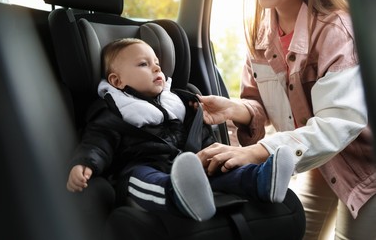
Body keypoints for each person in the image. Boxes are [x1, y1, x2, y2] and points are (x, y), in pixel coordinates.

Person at [196, 0, 376, 239]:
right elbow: (259, 102)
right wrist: (236, 109)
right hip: (318, 163)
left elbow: (337, 121)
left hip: (367, 171)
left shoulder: (337, 29)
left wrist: (259, 152)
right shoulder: (260, 33)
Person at [66, 38, 296, 223]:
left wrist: (213, 156)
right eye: (143, 64)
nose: (156, 66)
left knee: (222, 170)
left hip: (188, 167)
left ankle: (262, 179)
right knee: (140, 179)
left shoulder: (179, 102)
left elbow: (201, 138)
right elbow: (97, 142)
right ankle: (180, 196)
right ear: (117, 81)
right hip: (141, 168)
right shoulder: (112, 111)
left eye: (156, 62)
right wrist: (86, 163)